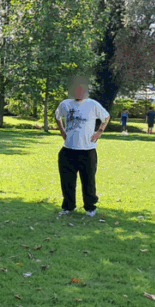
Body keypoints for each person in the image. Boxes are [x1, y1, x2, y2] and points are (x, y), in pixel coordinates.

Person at [54, 77, 109, 217]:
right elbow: (57, 117)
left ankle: (90, 208)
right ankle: (68, 207)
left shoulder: (93, 104)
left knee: (88, 181)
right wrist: (62, 132)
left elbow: (106, 117)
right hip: (68, 151)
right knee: (67, 181)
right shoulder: (65, 104)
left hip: (87, 151)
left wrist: (99, 132)